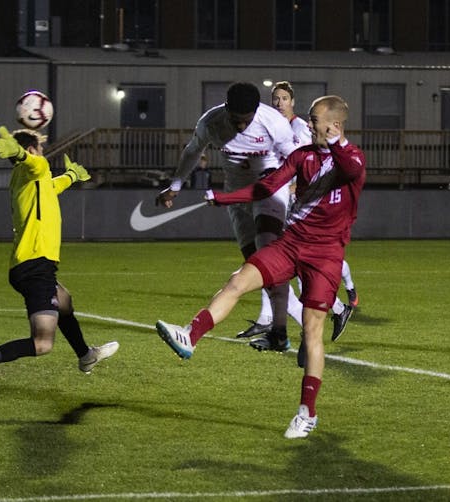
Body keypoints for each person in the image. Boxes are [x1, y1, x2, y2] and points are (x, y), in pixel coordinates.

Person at [156, 95, 365, 439]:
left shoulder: (352, 157)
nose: (307, 125)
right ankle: (190, 336)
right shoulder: (302, 156)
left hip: (326, 254)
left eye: (314, 120)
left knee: (312, 332)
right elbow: (267, 186)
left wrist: (337, 141)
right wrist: (221, 198)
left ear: (335, 125)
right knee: (238, 281)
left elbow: (352, 169)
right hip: (291, 242)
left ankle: (306, 413)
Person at [0, 127, 119, 403]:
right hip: (35, 265)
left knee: (64, 302)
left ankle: (86, 356)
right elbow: (38, 165)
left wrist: (72, 175)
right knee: (42, 343)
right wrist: (20, 153)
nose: (43, 155)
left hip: (32, 264)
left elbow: (53, 185)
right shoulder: (32, 169)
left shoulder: (31, 179)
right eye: (39, 149)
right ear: (31, 152)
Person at [155, 82, 303, 353]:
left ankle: (278, 330)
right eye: (236, 121)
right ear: (226, 110)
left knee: (266, 259)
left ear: (256, 111)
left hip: (268, 193)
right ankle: (280, 334)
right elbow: (193, 150)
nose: (241, 127)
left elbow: (295, 158)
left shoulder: (272, 123)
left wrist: (294, 187)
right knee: (259, 268)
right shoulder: (212, 122)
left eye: (246, 121)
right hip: (236, 198)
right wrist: (176, 185)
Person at [271, 81, 355, 340]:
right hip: (287, 200)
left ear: (292, 101)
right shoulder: (274, 126)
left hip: (307, 204)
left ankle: (344, 297)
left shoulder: (301, 127)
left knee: (305, 260)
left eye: (284, 98)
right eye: (275, 98)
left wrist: (300, 185)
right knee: (298, 263)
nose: (279, 103)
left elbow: (319, 158)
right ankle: (336, 309)